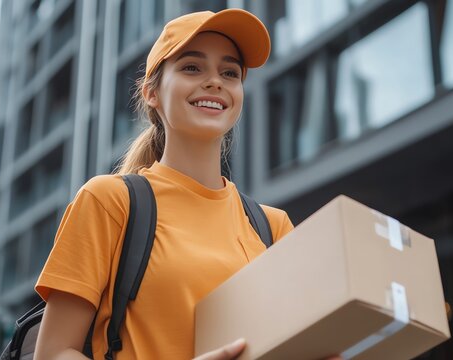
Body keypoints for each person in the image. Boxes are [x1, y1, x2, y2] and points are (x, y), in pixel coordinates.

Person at [32, 9, 297, 360]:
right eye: (192, 67)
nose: (215, 81)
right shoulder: (109, 202)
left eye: (230, 72)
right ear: (152, 93)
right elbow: (53, 353)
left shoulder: (274, 228)